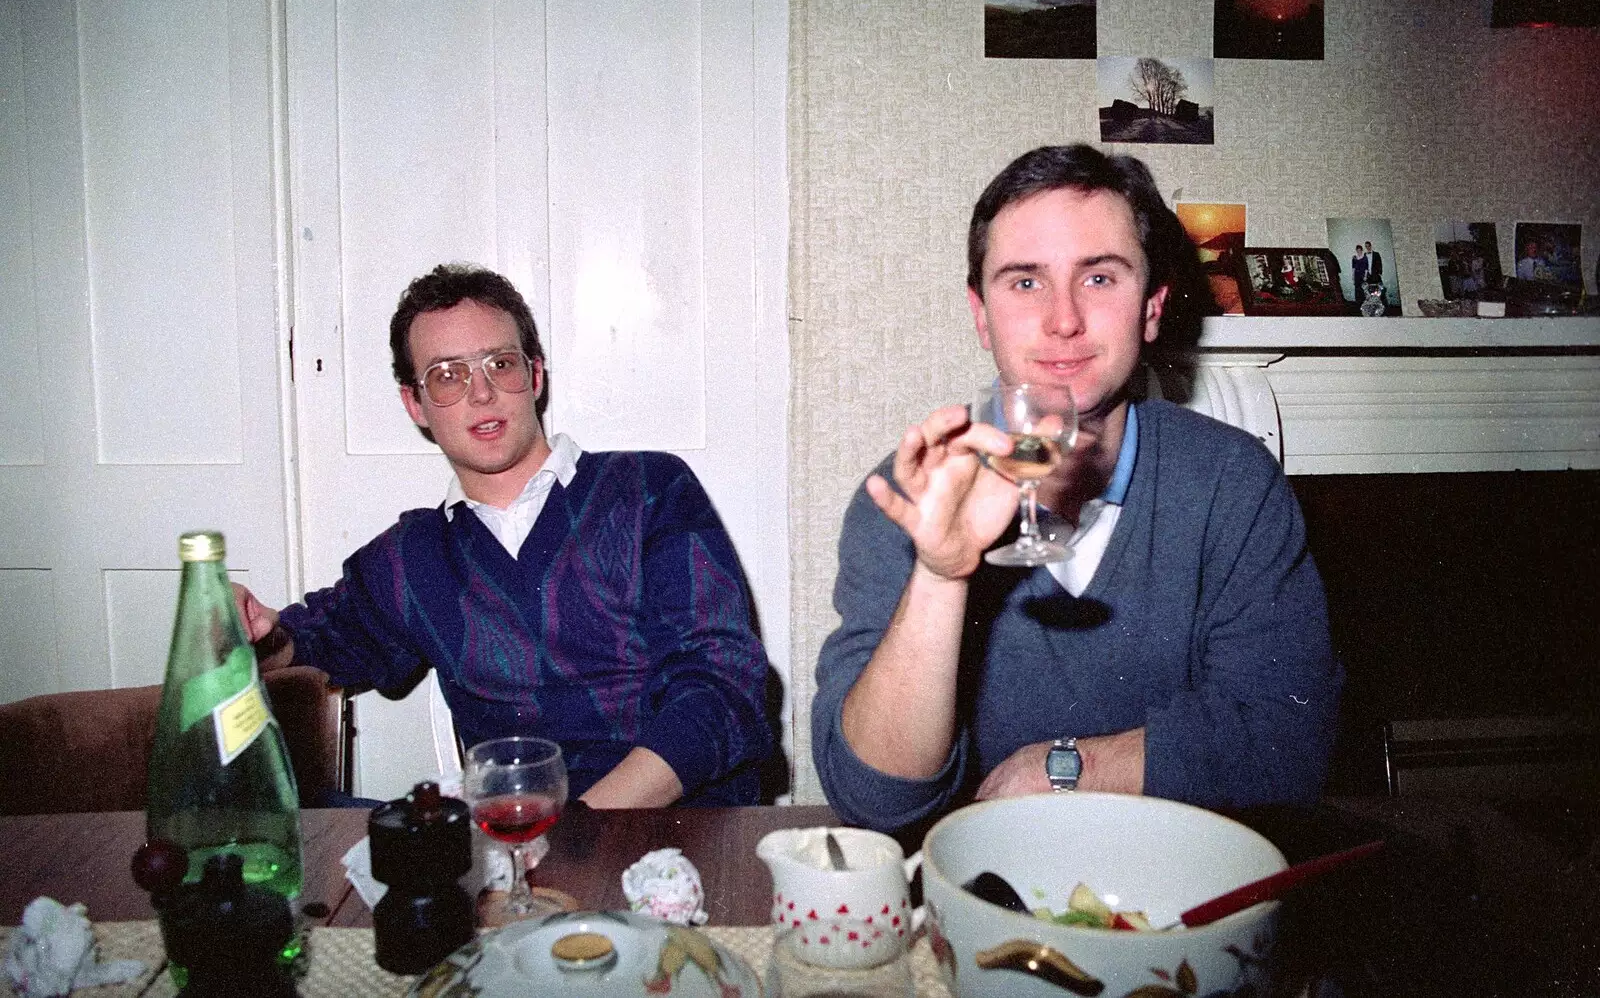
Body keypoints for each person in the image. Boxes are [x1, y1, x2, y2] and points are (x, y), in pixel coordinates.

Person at [811, 145, 1342, 832]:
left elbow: (1293, 744)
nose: (1063, 319)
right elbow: (877, 802)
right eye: (1025, 283)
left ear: (1152, 309)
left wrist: (1065, 771)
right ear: (980, 314)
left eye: (1099, 278)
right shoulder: (913, 494)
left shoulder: (1232, 485)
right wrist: (941, 575)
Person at [236, 264, 773, 807]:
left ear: (535, 376)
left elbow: (723, 688)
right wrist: (260, 634)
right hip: (516, 849)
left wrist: (577, 827)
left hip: (674, 835)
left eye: (500, 363)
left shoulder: (648, 489)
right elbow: (318, 644)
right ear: (414, 404)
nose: (482, 393)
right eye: (448, 374)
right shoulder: (412, 556)